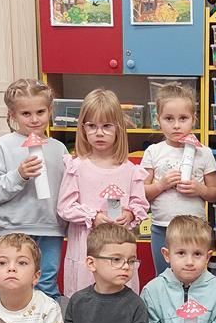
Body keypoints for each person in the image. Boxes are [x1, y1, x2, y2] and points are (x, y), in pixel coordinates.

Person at [57, 89, 149, 296]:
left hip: (118, 246)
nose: (99, 133)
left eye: (107, 126)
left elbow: (140, 203)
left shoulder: (130, 170)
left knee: (119, 298)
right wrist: (93, 217)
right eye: (92, 126)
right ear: (83, 128)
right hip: (86, 246)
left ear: (118, 128)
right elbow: (65, 207)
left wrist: (130, 214)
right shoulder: (76, 167)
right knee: (86, 298)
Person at [0, 78, 69, 300]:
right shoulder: (5, 145)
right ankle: (12, 321)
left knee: (47, 283)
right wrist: (19, 175)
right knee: (13, 283)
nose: (34, 119)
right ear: (13, 115)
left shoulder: (59, 148)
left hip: (50, 229)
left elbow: (66, 191)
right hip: (13, 229)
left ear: (50, 111)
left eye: (40, 112)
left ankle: (49, 322)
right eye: (26, 114)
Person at [142, 83, 216, 275]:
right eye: (169, 118)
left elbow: (214, 193)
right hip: (162, 228)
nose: (176, 125)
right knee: (164, 278)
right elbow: (142, 193)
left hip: (195, 230)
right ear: (158, 119)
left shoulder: (204, 152)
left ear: (194, 119)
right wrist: (161, 185)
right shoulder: (153, 151)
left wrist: (200, 189)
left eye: (183, 118)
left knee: (195, 277)